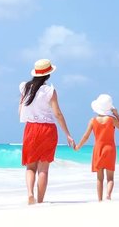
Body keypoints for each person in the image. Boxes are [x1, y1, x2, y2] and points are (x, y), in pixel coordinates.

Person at [19, 59, 75, 205]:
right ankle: (40, 201)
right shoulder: (50, 91)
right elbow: (58, 114)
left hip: (31, 128)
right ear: (48, 74)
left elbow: (20, 109)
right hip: (48, 130)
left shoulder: (24, 87)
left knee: (30, 166)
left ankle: (30, 194)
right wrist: (68, 134)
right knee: (43, 168)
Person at [75, 93, 119, 202]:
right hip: (110, 149)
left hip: (98, 149)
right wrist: (117, 114)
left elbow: (86, 136)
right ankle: (108, 195)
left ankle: (99, 200)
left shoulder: (93, 121)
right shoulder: (112, 120)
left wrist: (78, 146)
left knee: (99, 178)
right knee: (110, 178)